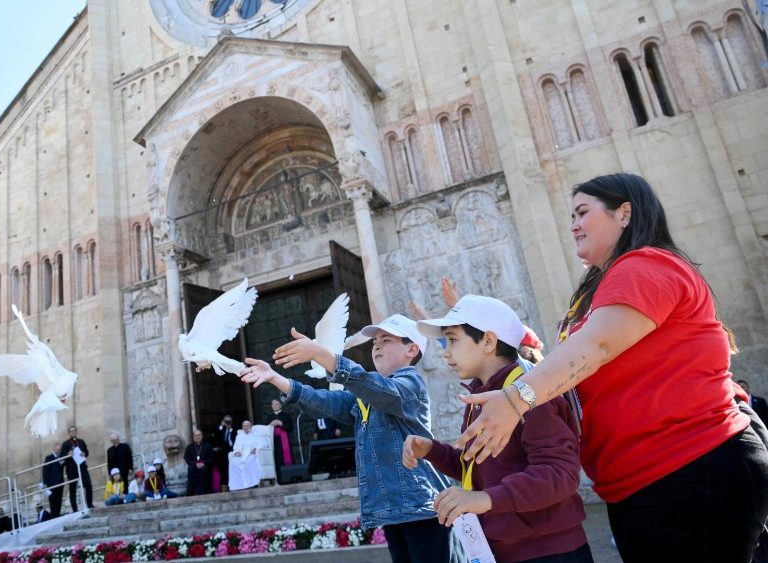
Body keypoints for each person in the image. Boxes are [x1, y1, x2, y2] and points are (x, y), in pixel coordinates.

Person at [457, 173, 768, 562]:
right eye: (571, 214)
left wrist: (516, 399)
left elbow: (599, 345)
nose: (573, 224)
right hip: (642, 481)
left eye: (583, 212)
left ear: (624, 213)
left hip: (689, 466)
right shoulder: (603, 285)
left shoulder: (646, 264)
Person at [240, 315, 464, 563]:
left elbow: (380, 390)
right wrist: (274, 377)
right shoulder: (365, 396)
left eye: (385, 340)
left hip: (422, 508)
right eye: (374, 341)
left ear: (411, 349)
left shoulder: (411, 384)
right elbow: (324, 402)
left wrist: (319, 353)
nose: (376, 345)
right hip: (392, 511)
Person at [403, 295, 592, 562]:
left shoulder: (530, 394)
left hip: (550, 551)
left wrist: (484, 499)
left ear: (488, 342)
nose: (445, 351)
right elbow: (478, 465)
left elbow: (559, 475)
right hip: (502, 550)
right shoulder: (481, 396)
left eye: (453, 340)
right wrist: (432, 450)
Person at [60, 425, 94, 510]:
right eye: (71, 431)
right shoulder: (65, 444)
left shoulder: (81, 441)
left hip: (82, 467)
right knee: (72, 488)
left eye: (74, 431)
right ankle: (75, 509)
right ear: (69, 433)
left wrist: (84, 453)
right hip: (71, 469)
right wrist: (68, 455)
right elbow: (62, 457)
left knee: (88, 485)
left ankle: (90, 504)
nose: (73, 432)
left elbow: (86, 452)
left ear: (76, 432)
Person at [228, 420, 263, 490]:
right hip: (241, 455)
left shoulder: (255, 435)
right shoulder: (239, 436)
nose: (246, 427)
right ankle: (238, 485)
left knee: (250, 461)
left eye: (247, 426)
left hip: (251, 454)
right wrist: (237, 452)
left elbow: (262, 443)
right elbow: (235, 447)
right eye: (244, 426)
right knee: (233, 463)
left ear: (250, 427)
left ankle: (251, 484)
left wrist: (256, 448)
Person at [266, 399, 294, 475]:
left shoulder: (286, 415)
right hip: (274, 441)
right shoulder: (269, 417)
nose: (275, 406)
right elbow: (265, 430)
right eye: (273, 404)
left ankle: (289, 475)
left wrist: (281, 423)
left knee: (285, 456)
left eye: (276, 404)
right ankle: (278, 477)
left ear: (280, 405)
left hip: (284, 440)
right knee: (276, 458)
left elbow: (290, 428)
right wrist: (270, 425)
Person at [184, 429, 214, 496]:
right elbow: (187, 459)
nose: (197, 437)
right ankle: (191, 491)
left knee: (204, 470)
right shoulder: (189, 447)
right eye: (196, 435)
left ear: (202, 436)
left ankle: (204, 491)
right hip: (194, 465)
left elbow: (211, 457)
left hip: (205, 465)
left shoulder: (208, 446)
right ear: (193, 437)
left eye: (199, 435)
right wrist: (195, 464)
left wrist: (203, 463)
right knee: (191, 468)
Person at [211, 415, 236, 492]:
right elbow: (215, 436)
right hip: (223, 451)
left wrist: (230, 429)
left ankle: (234, 485)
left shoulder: (235, 429)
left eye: (229, 421)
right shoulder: (221, 429)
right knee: (223, 468)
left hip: (233, 450)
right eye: (226, 421)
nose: (227, 422)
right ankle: (224, 486)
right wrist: (222, 426)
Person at [41, 443, 65, 519]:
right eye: (57, 449)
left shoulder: (61, 457)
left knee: (59, 500)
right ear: (54, 449)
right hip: (51, 484)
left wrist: (62, 463)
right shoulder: (49, 457)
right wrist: (45, 482)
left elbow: (61, 467)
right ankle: (53, 517)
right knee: (52, 501)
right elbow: (45, 470)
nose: (59, 451)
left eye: (60, 450)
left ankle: (57, 516)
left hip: (60, 482)